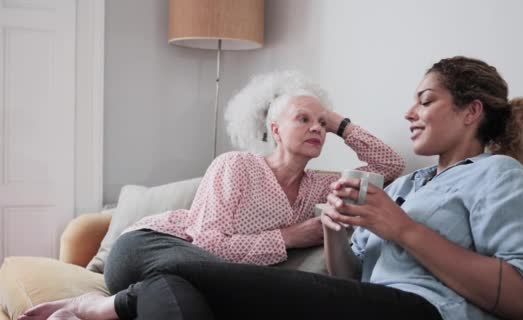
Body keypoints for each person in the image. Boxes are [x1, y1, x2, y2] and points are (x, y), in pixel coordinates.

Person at [18, 71, 405, 320]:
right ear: (274, 128)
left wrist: (339, 122)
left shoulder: (322, 185)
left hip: (175, 279)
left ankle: (92, 310)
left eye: (322, 123)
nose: (316, 127)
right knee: (206, 274)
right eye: (303, 118)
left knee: (181, 302)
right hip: (150, 247)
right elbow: (207, 245)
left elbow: (390, 167)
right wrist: (289, 237)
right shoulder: (236, 165)